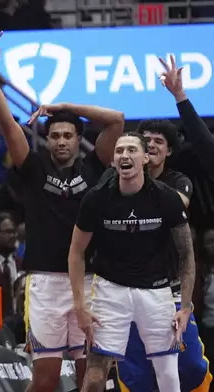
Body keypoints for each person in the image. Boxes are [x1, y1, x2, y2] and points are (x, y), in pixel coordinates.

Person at [0, 29, 124, 392]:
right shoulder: (32, 168)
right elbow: (8, 121)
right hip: (44, 282)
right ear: (47, 140)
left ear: (79, 140)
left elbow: (117, 120)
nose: (61, 141)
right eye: (55, 135)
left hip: (90, 281)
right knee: (44, 379)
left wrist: (65, 108)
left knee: (90, 378)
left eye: (68, 135)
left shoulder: (95, 166)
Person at [68, 131, 196, 392]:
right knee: (95, 374)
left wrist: (184, 307)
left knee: (169, 376)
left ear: (145, 158)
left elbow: (186, 254)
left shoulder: (166, 198)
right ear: (114, 161)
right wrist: (80, 305)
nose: (124, 155)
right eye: (119, 151)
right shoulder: (97, 198)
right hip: (109, 290)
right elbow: (76, 252)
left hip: (157, 291)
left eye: (131, 150)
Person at [111, 121, 212, 392]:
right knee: (137, 376)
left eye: (159, 141)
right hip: (128, 289)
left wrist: (137, 183)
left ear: (168, 151)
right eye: (147, 140)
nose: (152, 144)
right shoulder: (113, 183)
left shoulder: (179, 181)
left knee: (191, 367)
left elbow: (177, 203)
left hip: (171, 290)